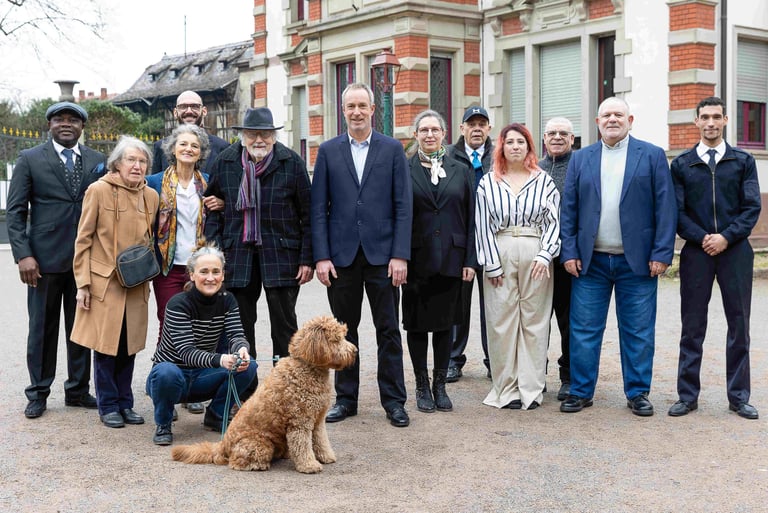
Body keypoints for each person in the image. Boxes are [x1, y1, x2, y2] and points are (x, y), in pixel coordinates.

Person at [559, 97, 677, 416]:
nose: (612, 119)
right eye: (606, 115)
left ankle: (637, 392)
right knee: (584, 330)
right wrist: (569, 251)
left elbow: (666, 208)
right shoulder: (581, 159)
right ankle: (581, 391)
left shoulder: (651, 156)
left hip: (636, 262)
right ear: (597, 122)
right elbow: (568, 209)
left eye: (618, 115)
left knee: (638, 331)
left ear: (630, 120)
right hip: (591, 262)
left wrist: (662, 253)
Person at [311, 82, 413, 427]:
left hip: (384, 257)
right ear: (343, 111)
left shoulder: (392, 149)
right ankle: (346, 399)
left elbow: (403, 206)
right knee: (343, 333)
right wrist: (321, 257)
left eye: (362, 106)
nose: (356, 112)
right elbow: (318, 209)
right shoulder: (328, 151)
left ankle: (394, 401)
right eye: (350, 106)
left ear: (372, 109)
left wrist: (400, 255)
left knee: (388, 330)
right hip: (341, 258)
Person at [204, 107, 313, 399]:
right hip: (237, 256)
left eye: (265, 134)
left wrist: (307, 259)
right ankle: (246, 392)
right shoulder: (226, 161)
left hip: (282, 254)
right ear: (243, 136)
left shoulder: (291, 162)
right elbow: (211, 207)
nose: (259, 140)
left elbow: (308, 214)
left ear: (274, 136)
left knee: (284, 327)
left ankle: (286, 392)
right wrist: (215, 252)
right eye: (253, 134)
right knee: (240, 327)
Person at [7, 101, 105, 419]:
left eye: (72, 120)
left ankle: (78, 390)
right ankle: (38, 392)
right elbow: (16, 211)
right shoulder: (30, 159)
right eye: (59, 119)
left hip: (84, 261)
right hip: (43, 262)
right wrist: (23, 254)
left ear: (82, 127)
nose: (66, 124)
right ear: (49, 125)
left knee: (81, 329)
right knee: (42, 330)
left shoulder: (97, 161)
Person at [669, 96, 761, 420]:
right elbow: (677, 212)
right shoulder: (682, 164)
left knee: (739, 324)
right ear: (696, 121)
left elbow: (752, 208)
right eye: (705, 117)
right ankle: (687, 396)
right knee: (692, 326)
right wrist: (703, 238)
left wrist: (726, 237)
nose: (710, 122)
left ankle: (739, 397)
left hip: (735, 252)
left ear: (725, 120)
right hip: (697, 253)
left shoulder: (743, 161)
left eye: (716, 117)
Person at [71, 136, 160, 428]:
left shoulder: (151, 196)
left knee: (129, 345)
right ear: (117, 164)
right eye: (131, 160)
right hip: (104, 282)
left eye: (142, 161)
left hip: (136, 282)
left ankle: (125, 403)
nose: (137, 166)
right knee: (106, 345)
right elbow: (83, 240)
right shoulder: (97, 190)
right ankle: (108, 404)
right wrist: (83, 284)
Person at [476, 123, 560, 411]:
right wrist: (491, 264)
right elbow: (482, 225)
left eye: (521, 142)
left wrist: (545, 255)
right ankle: (507, 387)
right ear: (501, 147)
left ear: (529, 147)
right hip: (500, 248)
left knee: (534, 321)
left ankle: (531, 387)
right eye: (510, 142)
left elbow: (553, 222)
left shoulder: (543, 181)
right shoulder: (488, 182)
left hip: (534, 249)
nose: (515, 146)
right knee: (501, 321)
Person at [146, 124, 223, 415]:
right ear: (173, 149)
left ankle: (192, 388)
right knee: (169, 325)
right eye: (183, 144)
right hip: (168, 266)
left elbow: (222, 215)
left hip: (200, 268)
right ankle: (164, 388)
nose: (188, 149)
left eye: (194, 145)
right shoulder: (155, 182)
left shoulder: (210, 183)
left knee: (200, 326)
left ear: (201, 152)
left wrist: (222, 204)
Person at [403, 110, 476, 413]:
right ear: (416, 135)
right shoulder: (404, 168)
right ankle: (421, 385)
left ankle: (440, 385)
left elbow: (472, 218)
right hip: (416, 260)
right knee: (417, 325)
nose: (430, 135)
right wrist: (399, 258)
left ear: (444, 134)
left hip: (452, 258)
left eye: (435, 129)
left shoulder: (461, 169)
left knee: (446, 325)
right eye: (424, 130)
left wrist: (470, 260)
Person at [146, 244, 257, 445]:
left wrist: (241, 348)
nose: (210, 278)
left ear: (223, 275)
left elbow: (236, 334)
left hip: (202, 376)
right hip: (172, 377)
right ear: (192, 275)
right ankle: (163, 423)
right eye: (204, 272)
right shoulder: (177, 304)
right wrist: (221, 359)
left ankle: (216, 415)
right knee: (165, 372)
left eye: (216, 272)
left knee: (249, 365)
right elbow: (187, 352)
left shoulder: (228, 300)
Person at [445, 106, 493, 383]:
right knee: (457, 306)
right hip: (460, 242)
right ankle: (453, 359)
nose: (476, 128)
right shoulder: (448, 156)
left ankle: (494, 360)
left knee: (494, 307)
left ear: (488, 128)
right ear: (461, 128)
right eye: (471, 124)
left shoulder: (498, 155)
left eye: (481, 124)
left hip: (491, 241)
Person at [539, 116, 576, 401]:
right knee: (536, 320)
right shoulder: (534, 168)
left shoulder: (580, 166)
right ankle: (535, 374)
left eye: (563, 133)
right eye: (552, 133)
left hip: (566, 259)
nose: (557, 137)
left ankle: (568, 375)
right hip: (537, 260)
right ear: (544, 138)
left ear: (572, 139)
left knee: (568, 321)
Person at [151, 90, 230, 176]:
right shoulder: (160, 147)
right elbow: (155, 182)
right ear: (175, 112)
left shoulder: (222, 148)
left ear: (204, 111)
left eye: (195, 106)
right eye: (183, 106)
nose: (189, 111)